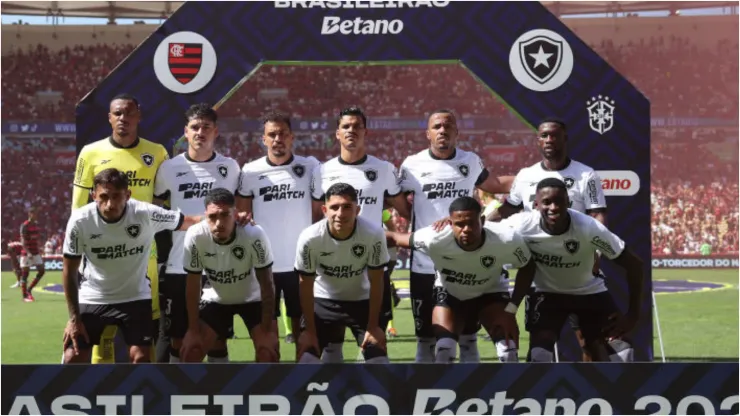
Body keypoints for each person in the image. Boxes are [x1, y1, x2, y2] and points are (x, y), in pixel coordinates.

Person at [491, 118, 626, 361]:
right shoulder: (525, 175)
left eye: (554, 135)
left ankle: (591, 395)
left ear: (565, 139)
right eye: (544, 136)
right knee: (541, 347)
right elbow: (509, 208)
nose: (549, 140)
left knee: (589, 342)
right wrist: (481, 222)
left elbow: (597, 214)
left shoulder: (586, 174)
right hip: (540, 274)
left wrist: (597, 254)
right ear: (538, 141)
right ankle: (541, 397)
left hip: (579, 268)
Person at [399, 109, 513, 363]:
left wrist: (532, 178)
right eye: (437, 126)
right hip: (424, 264)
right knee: (425, 341)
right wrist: (417, 224)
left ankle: (467, 398)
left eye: (448, 126)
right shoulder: (411, 165)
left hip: (464, 262)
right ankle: (424, 397)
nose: (442, 130)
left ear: (456, 132)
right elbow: (398, 201)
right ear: (427, 133)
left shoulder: (470, 161)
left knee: (468, 339)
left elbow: (493, 185)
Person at [61, 168, 203, 364]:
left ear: (127, 195)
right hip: (93, 295)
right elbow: (68, 272)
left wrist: (228, 217)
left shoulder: (145, 213)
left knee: (141, 358)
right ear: (93, 195)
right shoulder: (80, 221)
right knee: (73, 357)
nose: (110, 204)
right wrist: (74, 319)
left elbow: (191, 222)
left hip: (135, 296)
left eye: (117, 196)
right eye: (103, 196)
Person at [71, 93, 170, 364]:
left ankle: (143, 399)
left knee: (142, 337)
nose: (123, 119)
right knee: (100, 339)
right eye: (117, 114)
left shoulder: (157, 152)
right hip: (102, 254)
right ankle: (100, 400)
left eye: (128, 113)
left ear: (138, 115)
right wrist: (80, 255)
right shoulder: (90, 153)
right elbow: (78, 208)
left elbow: (165, 201)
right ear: (109, 118)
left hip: (143, 256)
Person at [503, 178, 644, 362]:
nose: (553, 207)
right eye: (546, 202)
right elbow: (485, 231)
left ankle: (604, 391)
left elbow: (634, 264)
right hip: (546, 294)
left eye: (559, 201)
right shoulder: (521, 225)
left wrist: (632, 315)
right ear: (536, 204)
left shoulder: (588, 228)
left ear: (568, 203)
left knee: (623, 354)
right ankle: (538, 392)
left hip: (589, 291)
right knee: (540, 355)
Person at [310, 107, 409, 362]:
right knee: (330, 350)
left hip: (372, 264)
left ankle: (376, 398)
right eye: (346, 126)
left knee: (375, 347)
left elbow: (406, 211)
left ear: (365, 132)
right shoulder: (321, 171)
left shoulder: (384, 169)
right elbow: (313, 217)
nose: (351, 130)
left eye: (356, 126)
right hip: (332, 268)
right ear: (337, 133)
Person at [385, 196, 531, 363]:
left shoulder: (506, 238)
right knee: (444, 351)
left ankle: (510, 389)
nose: (466, 229)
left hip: (490, 293)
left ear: (482, 220)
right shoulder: (434, 238)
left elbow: (527, 265)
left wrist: (511, 310)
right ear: (450, 224)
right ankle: (446, 389)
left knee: (508, 351)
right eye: (460, 224)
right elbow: (394, 238)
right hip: (451, 294)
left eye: (472, 223)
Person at [153, 103, 241, 364]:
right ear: (186, 132)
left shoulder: (231, 167)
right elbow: (157, 210)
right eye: (194, 127)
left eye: (206, 127)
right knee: (179, 340)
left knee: (216, 339)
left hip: (219, 268)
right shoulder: (169, 168)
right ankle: (173, 399)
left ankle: (220, 400)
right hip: (179, 266)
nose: (200, 132)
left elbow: (242, 210)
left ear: (216, 132)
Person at [236, 111, 320, 353]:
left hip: (301, 266)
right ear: (263, 139)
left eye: (283, 133)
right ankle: (272, 388)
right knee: (268, 341)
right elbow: (243, 217)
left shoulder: (311, 166)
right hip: (265, 267)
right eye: (272, 134)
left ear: (292, 137)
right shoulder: (250, 171)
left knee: (304, 339)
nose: (277, 139)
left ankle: (301, 388)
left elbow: (317, 214)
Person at [179, 189, 280, 363]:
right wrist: (193, 330)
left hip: (254, 300)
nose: (219, 223)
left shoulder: (254, 234)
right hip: (216, 299)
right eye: (212, 217)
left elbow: (267, 284)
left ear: (235, 213)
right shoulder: (195, 235)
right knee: (191, 351)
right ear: (205, 216)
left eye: (225, 215)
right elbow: (193, 286)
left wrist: (266, 330)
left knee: (267, 352)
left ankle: (265, 391)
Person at [295, 183, 390, 364]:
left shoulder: (373, 234)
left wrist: (373, 326)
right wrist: (309, 331)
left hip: (362, 303)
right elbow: (305, 285)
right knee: (306, 362)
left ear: (358, 209)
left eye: (347, 207)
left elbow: (377, 281)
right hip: (323, 302)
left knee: (379, 365)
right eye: (334, 207)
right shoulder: (310, 238)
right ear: (324, 209)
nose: (340, 213)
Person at [18, 208, 45, 302]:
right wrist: (28, 252)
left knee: (41, 271)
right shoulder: (24, 226)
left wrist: (40, 248)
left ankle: (29, 289)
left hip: (35, 251)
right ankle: (24, 296)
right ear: (30, 214)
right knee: (25, 273)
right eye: (34, 214)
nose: (36, 216)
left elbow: (36, 238)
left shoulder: (36, 225)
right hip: (27, 253)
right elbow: (23, 241)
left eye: (36, 214)